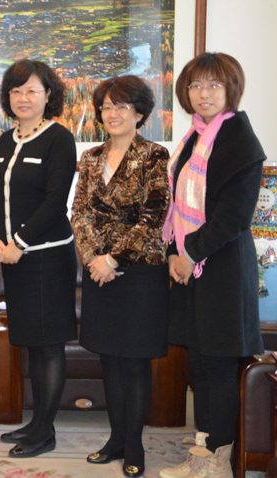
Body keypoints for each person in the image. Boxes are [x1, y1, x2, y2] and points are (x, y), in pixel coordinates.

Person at [159, 53, 265, 478]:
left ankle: (218, 461)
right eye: (196, 85)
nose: (203, 93)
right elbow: (175, 207)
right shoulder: (194, 137)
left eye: (213, 85)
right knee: (199, 363)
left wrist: (188, 255)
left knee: (218, 366)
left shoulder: (239, 140)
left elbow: (232, 217)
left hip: (221, 269)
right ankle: (203, 450)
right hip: (192, 268)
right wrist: (173, 252)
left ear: (230, 90)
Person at [71, 75, 171, 478]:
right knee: (109, 358)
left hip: (140, 273)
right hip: (99, 273)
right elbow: (79, 213)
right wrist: (93, 259)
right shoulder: (90, 157)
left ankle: (134, 444)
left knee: (134, 361)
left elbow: (154, 216)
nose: (112, 114)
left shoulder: (155, 155)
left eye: (121, 106)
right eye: (106, 107)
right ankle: (115, 439)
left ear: (140, 113)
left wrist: (113, 259)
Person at [0, 60, 77, 458]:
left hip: (47, 259)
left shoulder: (59, 139)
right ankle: (37, 422)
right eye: (16, 91)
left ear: (48, 96)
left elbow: (55, 202)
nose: (23, 98)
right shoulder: (5, 140)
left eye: (32, 91)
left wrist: (18, 243)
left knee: (49, 345)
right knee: (31, 344)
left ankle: (44, 431)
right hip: (12, 259)